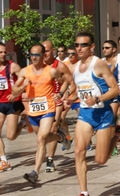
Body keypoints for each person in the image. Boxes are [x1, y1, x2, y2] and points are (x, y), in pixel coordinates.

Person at [12, 44, 72, 184]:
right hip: (33, 111)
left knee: (41, 139)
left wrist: (60, 94)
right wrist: (22, 86)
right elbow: (14, 91)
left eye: (37, 54)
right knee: (44, 138)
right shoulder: (24, 71)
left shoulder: (51, 71)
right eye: (31, 54)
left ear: (43, 55)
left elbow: (65, 81)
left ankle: (35, 172)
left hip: (48, 109)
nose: (34, 57)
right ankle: (60, 136)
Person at [70, 32, 120, 196]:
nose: (79, 48)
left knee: (101, 160)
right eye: (77, 45)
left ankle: (117, 135)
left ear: (92, 47)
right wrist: (69, 98)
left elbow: (115, 89)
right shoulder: (75, 67)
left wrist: (98, 98)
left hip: (103, 114)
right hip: (86, 113)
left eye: (83, 45)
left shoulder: (99, 64)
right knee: (79, 152)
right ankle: (84, 192)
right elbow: (79, 89)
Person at [42, 40, 76, 173]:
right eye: (42, 51)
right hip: (42, 102)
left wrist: (63, 94)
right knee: (41, 134)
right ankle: (62, 136)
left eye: (47, 51)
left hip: (57, 102)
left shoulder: (60, 66)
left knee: (52, 128)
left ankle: (50, 159)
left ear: (53, 51)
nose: (44, 54)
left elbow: (72, 84)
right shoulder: (39, 66)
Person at [0, 42, 25, 172]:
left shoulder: (13, 67)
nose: (3, 54)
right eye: (1, 52)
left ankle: (23, 123)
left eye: (5, 52)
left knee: (10, 136)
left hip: (12, 103)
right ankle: (4, 160)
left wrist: (17, 93)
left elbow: (26, 81)